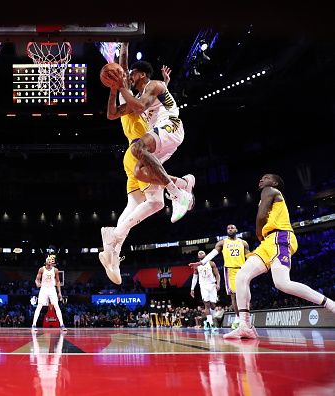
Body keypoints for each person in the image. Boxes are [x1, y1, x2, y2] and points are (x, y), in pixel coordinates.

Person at [100, 43, 195, 284]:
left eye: (131, 74)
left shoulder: (143, 95)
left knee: (144, 201)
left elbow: (155, 102)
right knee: (148, 198)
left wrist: (164, 84)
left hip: (149, 142)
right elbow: (123, 98)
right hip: (141, 148)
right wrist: (124, 46)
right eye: (125, 75)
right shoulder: (131, 95)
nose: (127, 77)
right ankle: (183, 185)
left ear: (140, 75)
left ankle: (112, 249)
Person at [224, 174, 335, 339]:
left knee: (282, 283)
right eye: (261, 177)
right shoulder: (265, 195)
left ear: (274, 183)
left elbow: (261, 217)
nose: (261, 179)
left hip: (280, 237)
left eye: (266, 177)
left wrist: (258, 234)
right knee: (242, 276)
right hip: (269, 241)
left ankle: (331, 305)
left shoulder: (271, 190)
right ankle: (244, 325)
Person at [191, 224, 250, 329]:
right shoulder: (222, 242)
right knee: (234, 296)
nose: (230, 229)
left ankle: (245, 319)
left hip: (242, 269)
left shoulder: (243, 243)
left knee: (245, 296)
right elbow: (212, 254)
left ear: (236, 230)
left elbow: (249, 257)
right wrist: (201, 263)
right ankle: (237, 319)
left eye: (232, 228)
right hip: (230, 270)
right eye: (228, 228)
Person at [31, 255, 67, 332]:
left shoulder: (55, 270)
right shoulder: (41, 269)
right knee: (39, 306)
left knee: (56, 306)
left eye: (51, 261)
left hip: (52, 289)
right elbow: (37, 280)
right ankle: (34, 325)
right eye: (49, 260)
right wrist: (37, 283)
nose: (50, 262)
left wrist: (59, 292)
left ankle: (62, 325)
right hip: (43, 288)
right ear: (46, 262)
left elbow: (58, 282)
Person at [190, 250, 221, 331]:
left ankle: (210, 320)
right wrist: (192, 289)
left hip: (212, 285)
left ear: (206, 255)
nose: (200, 253)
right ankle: (210, 322)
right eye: (199, 253)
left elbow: (217, 274)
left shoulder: (211, 263)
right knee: (206, 304)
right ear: (198, 256)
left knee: (213, 305)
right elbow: (195, 278)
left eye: (202, 252)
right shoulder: (196, 266)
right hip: (203, 286)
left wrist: (218, 284)